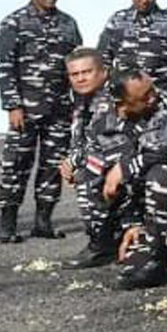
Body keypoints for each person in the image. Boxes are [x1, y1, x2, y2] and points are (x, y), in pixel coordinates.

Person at [0, 0, 83, 243]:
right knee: (15, 165)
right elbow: (5, 66)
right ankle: (7, 223)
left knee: (52, 166)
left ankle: (43, 222)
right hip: (25, 110)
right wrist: (13, 105)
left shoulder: (68, 24)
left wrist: (79, 106)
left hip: (60, 110)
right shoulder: (14, 23)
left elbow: (78, 64)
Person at [103, 67, 167, 290]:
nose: (153, 97)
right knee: (95, 172)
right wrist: (131, 222)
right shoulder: (105, 113)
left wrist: (127, 166)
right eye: (144, 97)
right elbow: (94, 150)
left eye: (152, 89)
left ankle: (160, 251)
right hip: (138, 194)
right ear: (122, 103)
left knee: (160, 173)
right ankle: (119, 236)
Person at [60, 48, 118, 267]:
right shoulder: (83, 99)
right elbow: (80, 139)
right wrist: (70, 161)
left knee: (88, 172)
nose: (80, 78)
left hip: (131, 162)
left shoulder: (112, 99)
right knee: (84, 169)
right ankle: (104, 239)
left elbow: (107, 147)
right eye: (74, 74)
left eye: (87, 72)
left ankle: (102, 244)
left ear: (104, 72)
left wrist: (75, 162)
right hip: (111, 161)